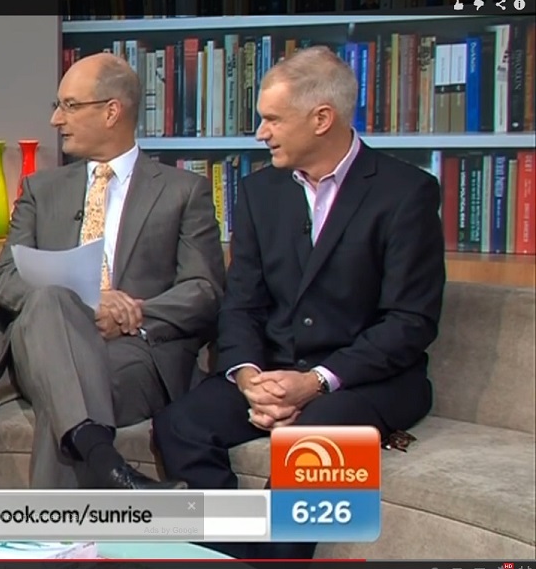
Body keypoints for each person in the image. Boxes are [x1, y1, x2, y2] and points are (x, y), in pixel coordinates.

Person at [152, 46, 446, 561]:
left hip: (368, 380)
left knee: (314, 444)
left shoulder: (406, 193)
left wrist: (316, 382)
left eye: (272, 120)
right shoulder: (259, 192)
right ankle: (229, 548)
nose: (260, 133)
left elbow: (410, 322)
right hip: (274, 371)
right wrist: (248, 376)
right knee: (181, 423)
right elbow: (241, 304)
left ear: (321, 119)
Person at [0, 53, 226, 490]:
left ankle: (87, 474)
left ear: (112, 111)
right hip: (44, 340)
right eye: (57, 106)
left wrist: (133, 312)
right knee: (50, 299)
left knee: (65, 390)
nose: (56, 119)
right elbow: (7, 280)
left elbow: (203, 289)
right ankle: (108, 469)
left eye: (70, 106)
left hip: (132, 351)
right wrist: (88, 303)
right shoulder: (41, 189)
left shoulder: (183, 191)